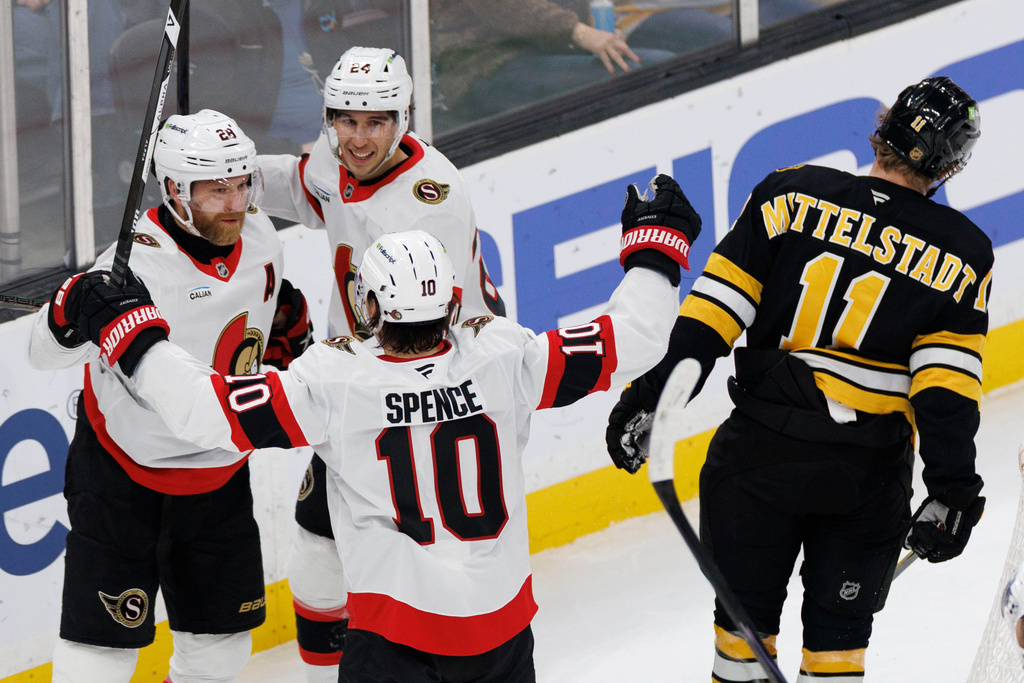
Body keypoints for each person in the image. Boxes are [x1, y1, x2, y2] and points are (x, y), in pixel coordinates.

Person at [57, 175, 699, 681]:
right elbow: (633, 338)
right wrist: (657, 254)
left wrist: (134, 333)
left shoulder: (337, 383)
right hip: (502, 636)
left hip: (395, 646)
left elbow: (206, 412)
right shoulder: (504, 356)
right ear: (451, 300)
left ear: (370, 304)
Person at [606, 77, 990, 681]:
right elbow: (945, 389)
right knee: (836, 657)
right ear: (951, 164)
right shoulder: (964, 251)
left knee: (742, 644)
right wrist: (952, 490)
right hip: (864, 481)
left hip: (757, 463)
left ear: (884, 129)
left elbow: (713, 315)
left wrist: (654, 394)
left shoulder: (789, 193)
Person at [27, 110, 313, 683]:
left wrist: (279, 327)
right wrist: (66, 310)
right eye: (216, 190)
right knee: (100, 653)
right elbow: (41, 354)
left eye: (241, 184)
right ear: (176, 191)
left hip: (220, 473)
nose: (234, 203)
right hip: (122, 476)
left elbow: (248, 319)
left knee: (221, 643)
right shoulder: (133, 265)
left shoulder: (260, 239)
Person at [257, 45, 509, 681]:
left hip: (425, 391)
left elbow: (444, 328)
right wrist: (227, 173)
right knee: (317, 542)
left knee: (406, 560)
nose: (359, 137)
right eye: (346, 120)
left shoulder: (431, 201)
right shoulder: (332, 155)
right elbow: (303, 187)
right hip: (360, 385)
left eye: (375, 122)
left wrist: (346, 371)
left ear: (405, 117)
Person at [428, 0, 675, 134]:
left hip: (552, 46)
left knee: (685, 46)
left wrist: (599, 28)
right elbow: (509, 10)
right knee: (656, 70)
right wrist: (579, 31)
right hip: (486, 64)